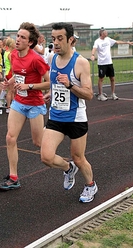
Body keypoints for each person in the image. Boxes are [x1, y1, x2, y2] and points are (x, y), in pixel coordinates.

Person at [41, 22, 97, 203]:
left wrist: (70, 85)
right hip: (56, 116)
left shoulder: (81, 63)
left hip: (75, 118)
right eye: (53, 39)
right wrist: (52, 92)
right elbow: (55, 83)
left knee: (79, 158)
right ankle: (68, 168)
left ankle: (90, 185)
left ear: (70, 40)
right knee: (46, 157)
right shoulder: (51, 58)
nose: (55, 43)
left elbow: (89, 94)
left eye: (60, 39)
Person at [0, 22, 50, 191]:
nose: (17, 39)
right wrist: (8, 82)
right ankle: (13, 177)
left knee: (38, 142)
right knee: (10, 138)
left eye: (22, 37)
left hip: (34, 104)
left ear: (30, 43)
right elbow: (17, 75)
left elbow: (49, 82)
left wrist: (30, 86)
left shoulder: (36, 59)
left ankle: (57, 137)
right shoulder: (12, 55)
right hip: (19, 103)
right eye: (17, 36)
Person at [90, 28, 133, 101]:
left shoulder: (108, 39)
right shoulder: (97, 41)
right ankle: (100, 95)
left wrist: (127, 43)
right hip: (102, 63)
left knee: (112, 78)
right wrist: (92, 55)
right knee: (101, 78)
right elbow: (94, 48)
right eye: (105, 32)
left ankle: (113, 94)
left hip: (109, 62)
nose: (106, 33)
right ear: (102, 34)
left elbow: (117, 42)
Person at [3, 37, 16, 113]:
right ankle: (8, 106)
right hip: (10, 73)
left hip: (7, 72)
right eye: (14, 43)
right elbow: (12, 65)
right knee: (11, 90)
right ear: (11, 44)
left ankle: (12, 105)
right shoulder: (9, 54)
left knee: (12, 90)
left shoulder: (6, 52)